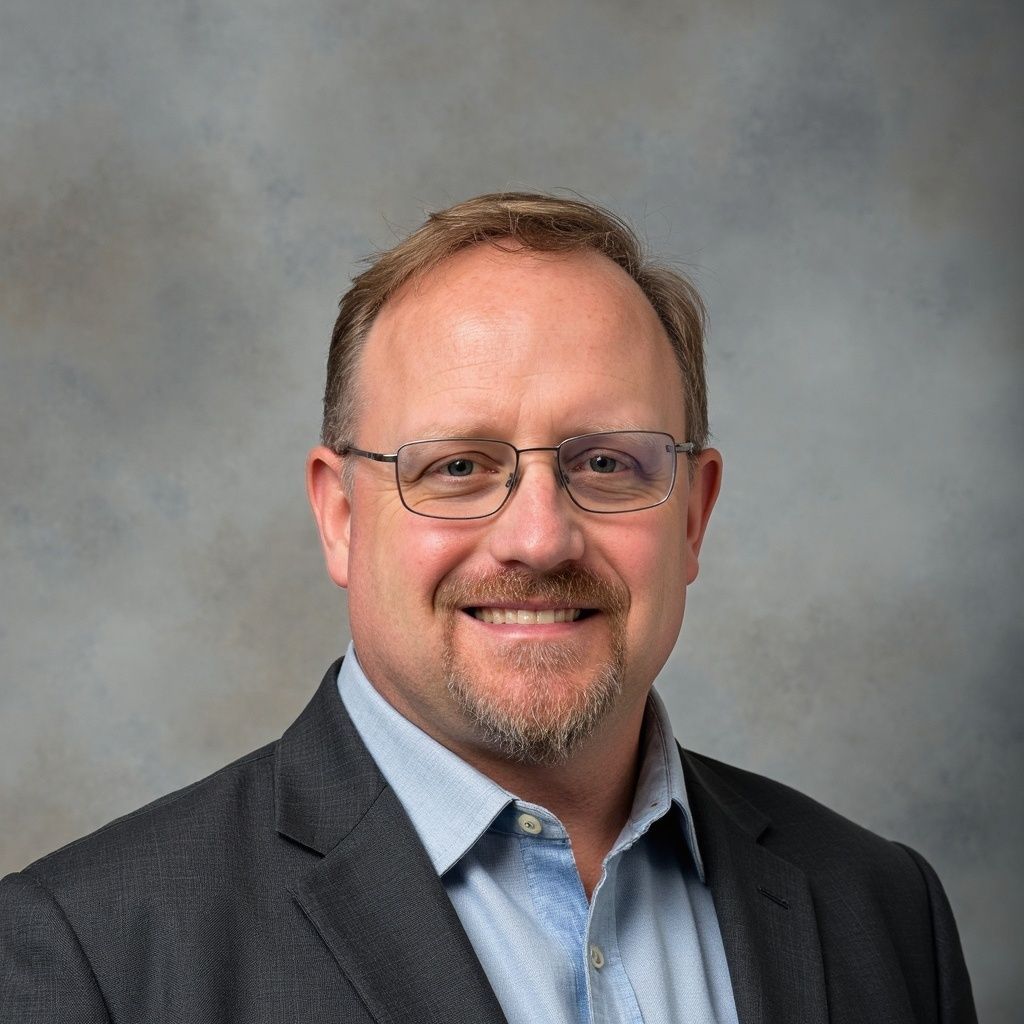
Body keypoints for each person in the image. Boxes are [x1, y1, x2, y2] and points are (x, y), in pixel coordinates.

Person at [0, 193, 976, 1022]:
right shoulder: (91, 957)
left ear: (692, 516)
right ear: (340, 516)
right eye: (460, 466)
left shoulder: (880, 910)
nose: (539, 538)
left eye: (605, 462)